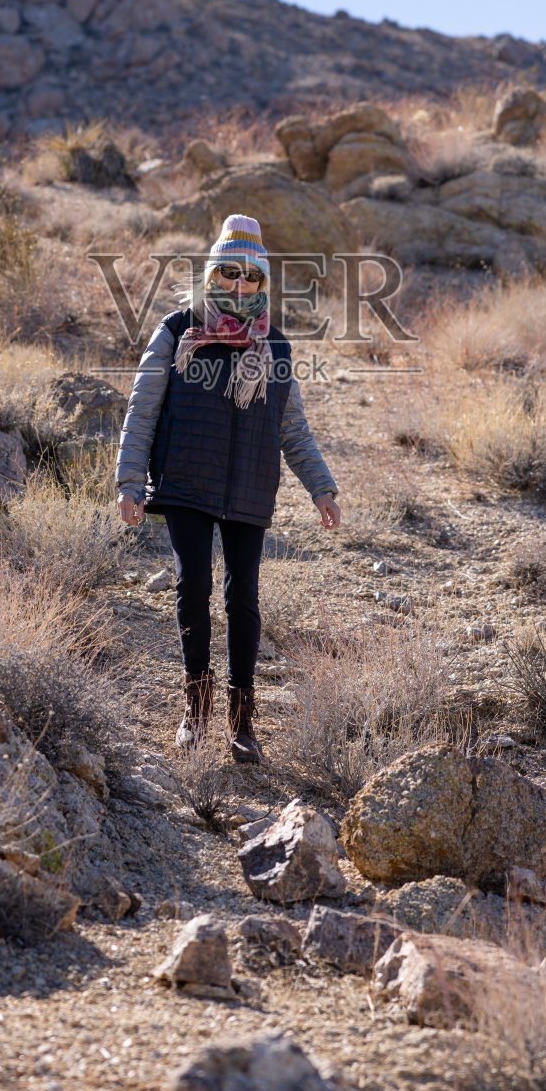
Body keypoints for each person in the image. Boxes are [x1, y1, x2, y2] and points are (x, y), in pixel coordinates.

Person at [115, 214, 341, 762]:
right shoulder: (176, 330)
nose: (240, 286)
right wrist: (130, 480)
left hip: (248, 488)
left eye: (252, 277)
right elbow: (142, 408)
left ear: (263, 282)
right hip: (187, 481)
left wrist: (321, 488)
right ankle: (195, 711)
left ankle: (242, 723)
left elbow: (292, 429)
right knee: (192, 585)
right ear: (213, 273)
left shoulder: (277, 349)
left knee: (244, 597)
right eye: (229, 273)